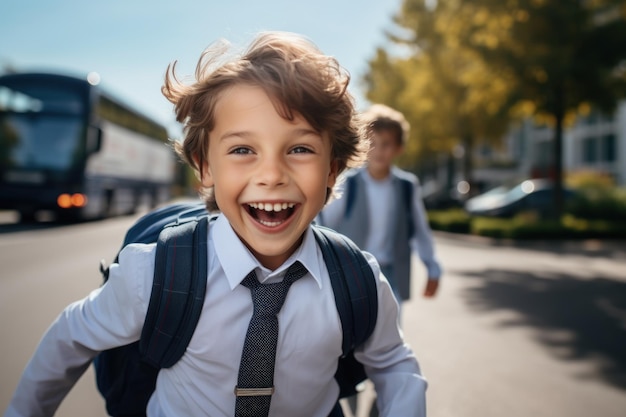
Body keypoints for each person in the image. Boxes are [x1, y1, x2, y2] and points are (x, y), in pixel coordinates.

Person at [5, 32, 427, 417]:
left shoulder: (357, 280)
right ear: (206, 168)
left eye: (299, 148)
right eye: (243, 149)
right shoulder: (156, 272)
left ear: (333, 170)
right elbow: (70, 338)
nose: (271, 174)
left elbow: (392, 361)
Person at [318, 104, 442, 417]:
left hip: (390, 276)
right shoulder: (350, 183)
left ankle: (383, 402)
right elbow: (323, 221)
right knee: (347, 342)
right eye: (373, 142)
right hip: (350, 275)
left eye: (386, 144)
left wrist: (432, 266)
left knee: (387, 344)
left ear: (397, 148)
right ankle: (349, 395)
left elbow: (421, 230)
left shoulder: (406, 186)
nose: (379, 150)